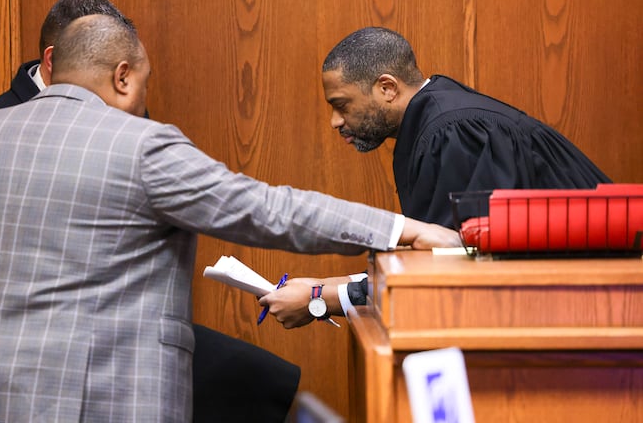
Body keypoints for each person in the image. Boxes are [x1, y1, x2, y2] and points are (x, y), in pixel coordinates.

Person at [0, 14, 460, 422]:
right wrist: (402, 229)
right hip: (82, 403)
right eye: (144, 83)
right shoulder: (136, 145)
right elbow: (267, 209)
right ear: (122, 76)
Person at [0, 0, 300, 422]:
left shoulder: (125, 110)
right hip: (27, 341)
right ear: (55, 60)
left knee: (263, 381)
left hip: (125, 327)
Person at [259, 26, 611, 329]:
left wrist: (321, 298)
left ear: (387, 88)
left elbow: (456, 270)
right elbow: (439, 256)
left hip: (596, 309)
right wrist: (323, 286)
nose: (336, 121)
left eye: (342, 104)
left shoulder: (453, 133)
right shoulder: (438, 120)